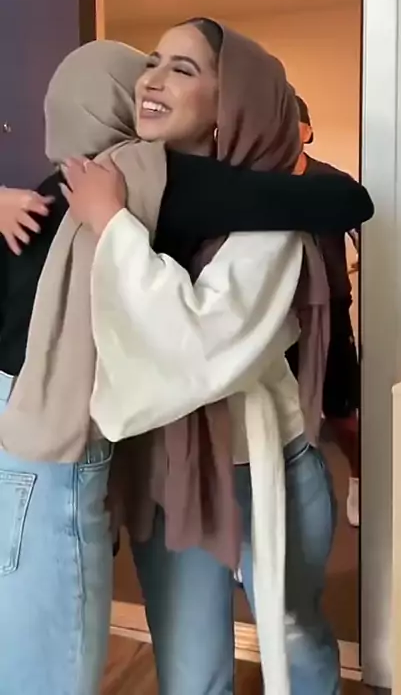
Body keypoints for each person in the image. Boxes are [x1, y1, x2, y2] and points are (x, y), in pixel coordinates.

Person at [0, 34, 373, 695]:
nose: (153, 80)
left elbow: (196, 339)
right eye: (149, 65)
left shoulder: (121, 191)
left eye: (181, 68)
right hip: (149, 459)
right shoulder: (126, 183)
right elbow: (343, 201)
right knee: (152, 668)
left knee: (283, 640)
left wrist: (109, 219)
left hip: (241, 458)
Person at [289, 94, 361, 527]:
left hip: (331, 307)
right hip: (279, 314)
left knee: (341, 411)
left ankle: (358, 478)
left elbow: (365, 232)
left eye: (293, 122)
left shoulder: (332, 182)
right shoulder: (258, 186)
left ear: (308, 131)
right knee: (280, 409)